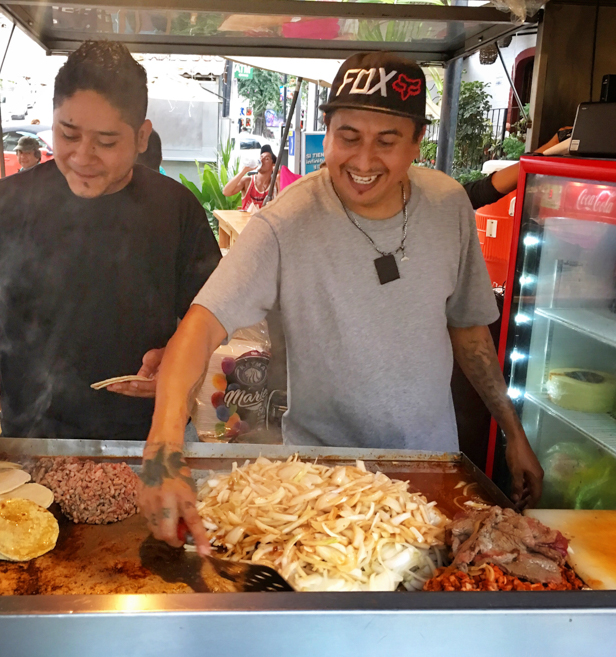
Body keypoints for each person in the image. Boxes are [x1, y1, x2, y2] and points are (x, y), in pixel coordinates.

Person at [138, 52, 544, 554]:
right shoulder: (284, 224)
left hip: (430, 476)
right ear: (326, 131)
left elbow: (468, 330)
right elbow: (199, 328)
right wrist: (163, 454)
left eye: (387, 141)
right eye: (348, 137)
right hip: (317, 490)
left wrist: (512, 433)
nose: (364, 161)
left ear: (417, 142)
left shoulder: (447, 206)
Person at [0, 40, 221, 445]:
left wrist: (179, 354)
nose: (83, 156)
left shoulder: (175, 207)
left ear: (141, 137)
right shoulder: (4, 207)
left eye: (107, 141)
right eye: (69, 134)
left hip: (152, 439)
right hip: (34, 443)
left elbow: (210, 316)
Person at [463, 127, 572, 210]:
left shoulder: (451, 195)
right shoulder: (450, 198)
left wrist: (552, 147)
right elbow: (479, 193)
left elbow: (480, 192)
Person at [223, 144, 279, 210]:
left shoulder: (275, 185)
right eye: (261, 157)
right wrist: (244, 171)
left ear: (273, 165)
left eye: (266, 159)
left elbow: (283, 205)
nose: (262, 160)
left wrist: (278, 175)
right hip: (246, 220)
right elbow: (226, 192)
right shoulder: (247, 181)